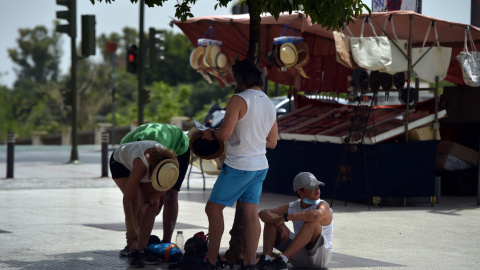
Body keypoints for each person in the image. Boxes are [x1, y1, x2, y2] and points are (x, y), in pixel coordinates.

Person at [199, 57, 278, 270]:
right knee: (251, 213)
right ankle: (249, 263)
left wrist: (210, 134)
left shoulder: (238, 100)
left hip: (239, 165)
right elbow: (272, 142)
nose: (234, 83)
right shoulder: (269, 103)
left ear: (240, 79)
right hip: (260, 165)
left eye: (234, 79)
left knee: (213, 210)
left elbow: (223, 134)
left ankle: (212, 260)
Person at [110, 140, 180, 268]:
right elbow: (128, 198)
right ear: (153, 166)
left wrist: (148, 204)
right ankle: (132, 251)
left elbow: (164, 186)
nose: (151, 177)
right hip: (120, 163)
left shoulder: (173, 166)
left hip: (146, 164)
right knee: (136, 202)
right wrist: (131, 228)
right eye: (152, 174)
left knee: (152, 206)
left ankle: (141, 250)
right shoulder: (143, 163)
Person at [120, 123, 190, 245]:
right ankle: (136, 243)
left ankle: (166, 242)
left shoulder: (163, 153)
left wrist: (153, 201)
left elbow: (164, 186)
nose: (149, 177)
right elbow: (132, 197)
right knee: (140, 199)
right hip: (145, 149)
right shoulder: (126, 149)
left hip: (178, 146)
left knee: (170, 195)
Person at [257, 172, 333, 270]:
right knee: (272, 219)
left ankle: (282, 260)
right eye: (312, 187)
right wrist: (279, 224)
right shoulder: (293, 206)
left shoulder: (323, 205)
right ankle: (266, 259)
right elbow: (263, 212)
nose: (317, 189)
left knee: (312, 221)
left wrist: (285, 218)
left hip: (320, 258)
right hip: (298, 255)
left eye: (317, 186)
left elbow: (316, 215)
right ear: (300, 192)